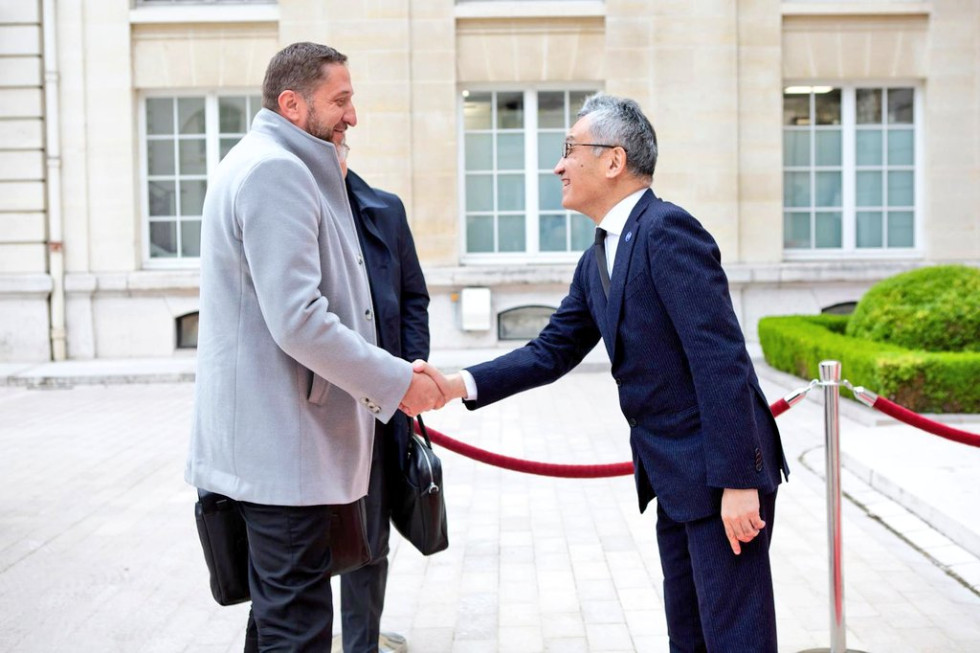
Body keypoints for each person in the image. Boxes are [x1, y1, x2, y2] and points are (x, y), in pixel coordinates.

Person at [418, 93, 788, 652]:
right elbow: (551, 351)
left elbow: (722, 359)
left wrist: (738, 482)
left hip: (720, 475)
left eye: (570, 149)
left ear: (613, 161)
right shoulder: (600, 256)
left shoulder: (668, 231)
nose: (558, 165)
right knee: (689, 636)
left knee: (735, 637)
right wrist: (454, 386)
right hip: (674, 477)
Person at [185, 42, 444, 651]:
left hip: (271, 455)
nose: (352, 115)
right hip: (285, 459)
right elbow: (300, 319)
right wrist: (397, 382)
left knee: (276, 622)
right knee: (297, 631)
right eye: (341, 100)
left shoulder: (262, 161)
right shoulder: (278, 170)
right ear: (292, 103)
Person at [332, 138, 427, 653]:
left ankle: (361, 643)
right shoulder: (291, 207)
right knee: (300, 535)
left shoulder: (384, 209)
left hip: (379, 405)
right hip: (312, 408)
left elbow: (413, 296)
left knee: (369, 538)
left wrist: (410, 377)